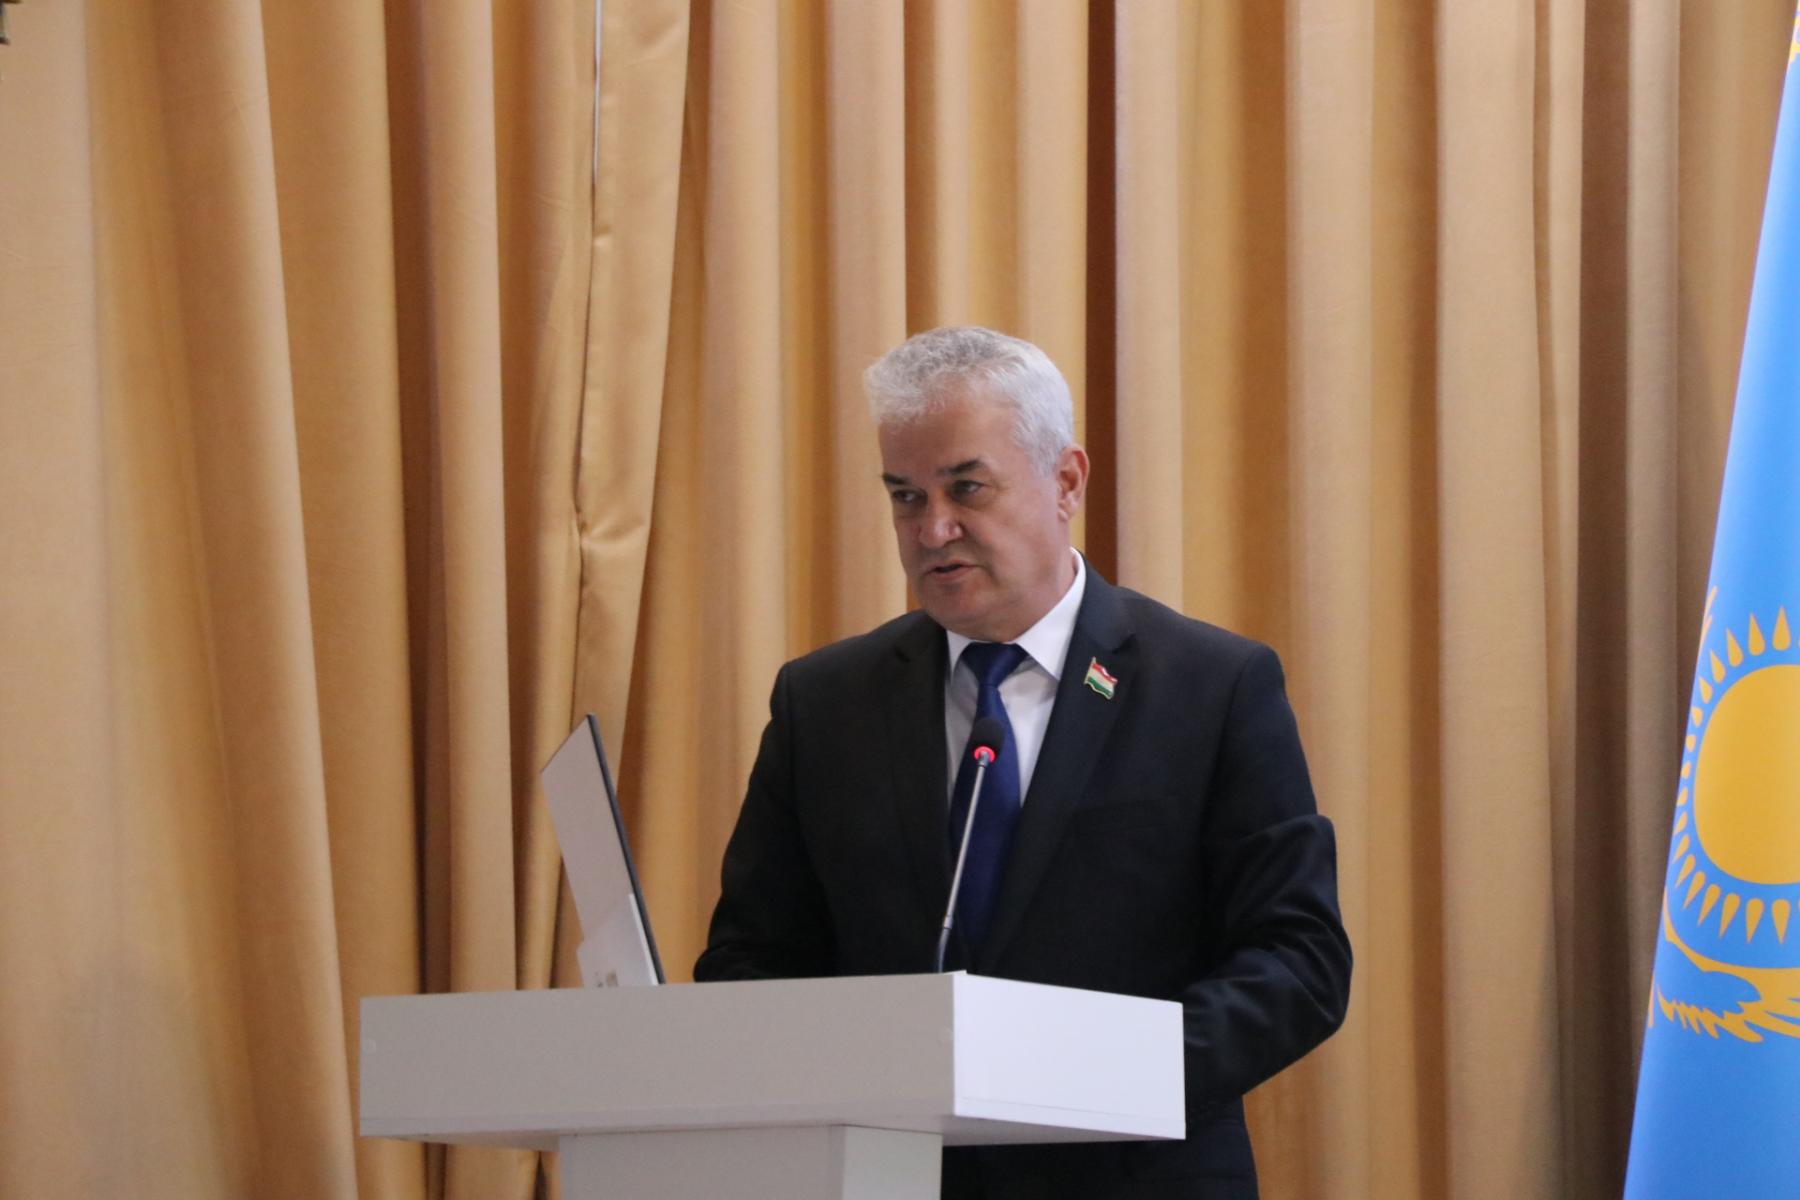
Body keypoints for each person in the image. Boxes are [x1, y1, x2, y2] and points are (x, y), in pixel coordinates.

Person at [694, 326, 1352, 1199]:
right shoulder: (824, 703)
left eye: (966, 487)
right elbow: (750, 960)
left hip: (1132, 1175)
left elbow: (1299, 961)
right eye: (905, 496)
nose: (933, 529)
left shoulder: (1212, 686)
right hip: (886, 1177)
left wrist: (1092, 1073)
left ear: (1066, 481)